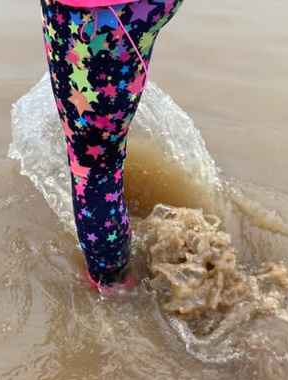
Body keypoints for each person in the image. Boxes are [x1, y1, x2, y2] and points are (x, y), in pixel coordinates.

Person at [40, 0, 182, 293]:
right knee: (104, 149)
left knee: (93, 169)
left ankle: (115, 289)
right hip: (142, 9)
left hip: (97, 14)